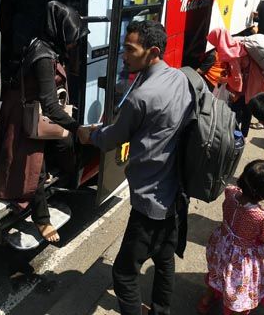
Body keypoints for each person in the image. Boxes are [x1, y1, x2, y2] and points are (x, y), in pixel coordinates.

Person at [78, 20, 193, 315]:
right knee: (165, 261)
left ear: (152, 51)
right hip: (174, 193)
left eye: (130, 49)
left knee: (124, 274)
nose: (124, 55)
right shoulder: (179, 78)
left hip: (149, 202)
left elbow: (112, 139)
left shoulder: (142, 97)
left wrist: (88, 133)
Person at [0, 1, 89, 243]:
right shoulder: (43, 58)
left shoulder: (44, 44)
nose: (73, 43)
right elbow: (50, 104)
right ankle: (42, 221)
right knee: (34, 170)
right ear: (59, 30)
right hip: (26, 115)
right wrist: (76, 127)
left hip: (32, 110)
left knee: (51, 155)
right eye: (71, 36)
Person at [197, 160, 264, 315]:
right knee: (238, 292)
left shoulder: (231, 193)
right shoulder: (261, 217)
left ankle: (205, 301)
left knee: (218, 275)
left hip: (221, 247)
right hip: (240, 260)